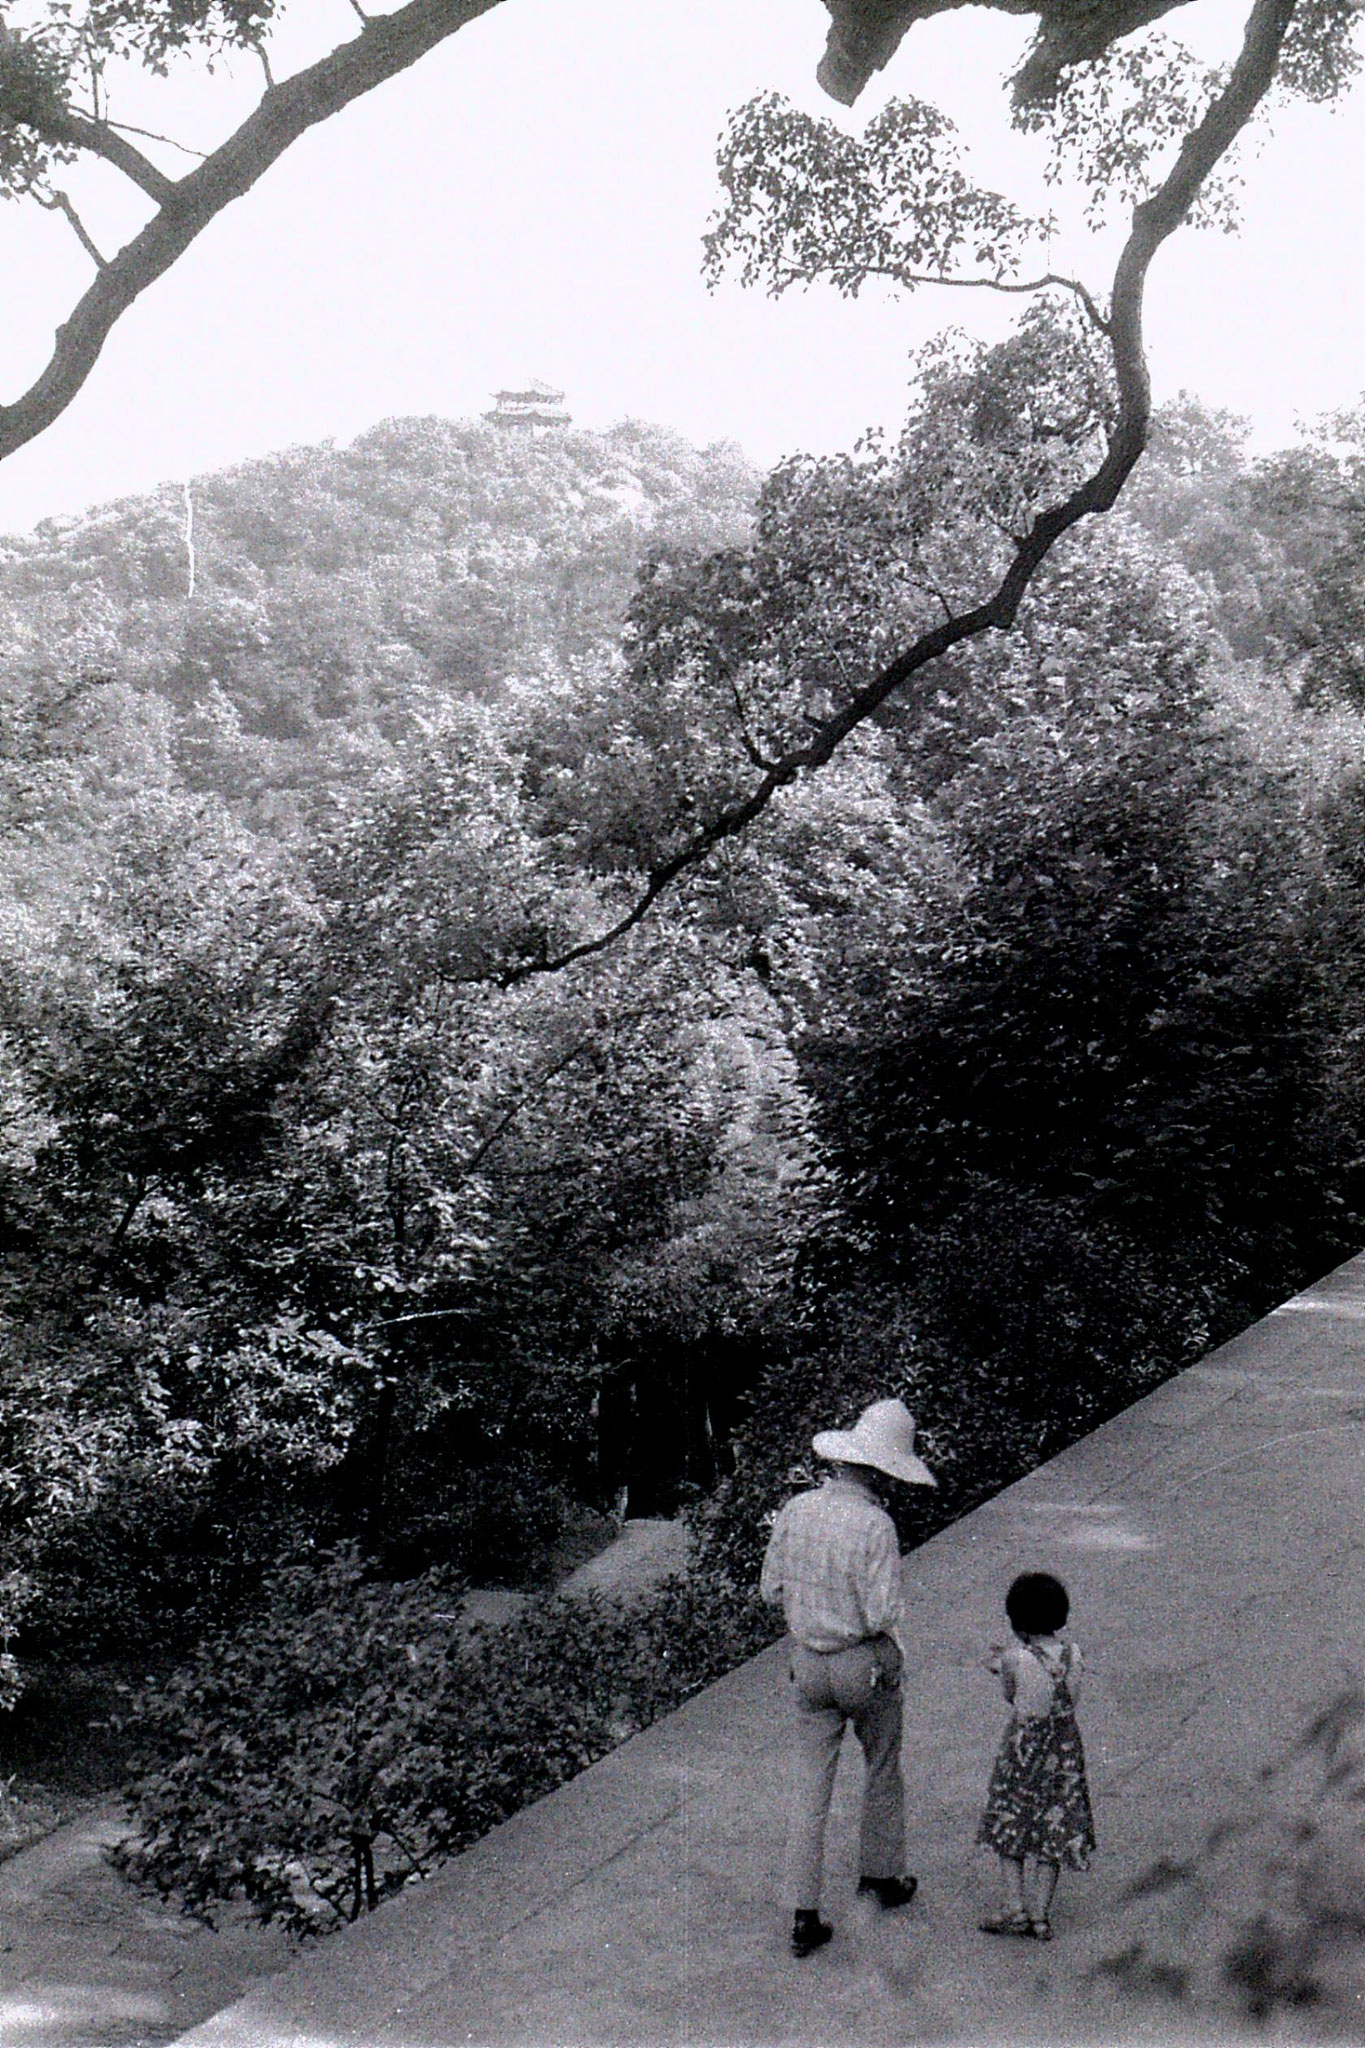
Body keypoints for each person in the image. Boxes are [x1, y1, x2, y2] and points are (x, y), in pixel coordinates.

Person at [759, 1397, 937, 1958]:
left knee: (811, 1784)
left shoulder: (797, 1510)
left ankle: (803, 1913)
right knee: (882, 1764)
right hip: (863, 1664)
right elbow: (883, 1614)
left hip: (807, 1663)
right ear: (885, 1469)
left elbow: (771, 1589)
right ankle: (880, 1875)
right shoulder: (876, 1525)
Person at [976, 1570, 1096, 1941]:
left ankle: (1014, 1906)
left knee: (1012, 1823)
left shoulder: (1014, 1658)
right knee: (1053, 1828)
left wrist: (1004, 1666)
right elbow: (1071, 1698)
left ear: (1016, 1622)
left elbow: (1011, 1696)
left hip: (1023, 1752)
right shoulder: (1073, 1654)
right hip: (1062, 1753)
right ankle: (1041, 1914)